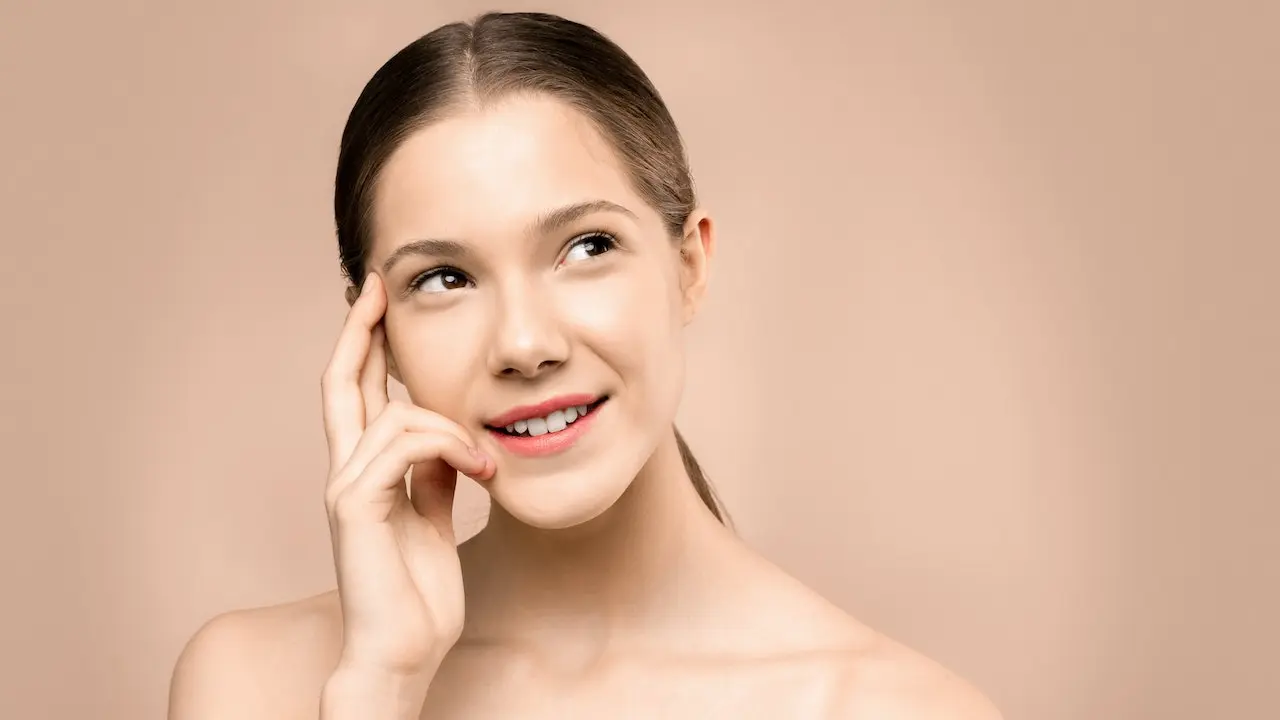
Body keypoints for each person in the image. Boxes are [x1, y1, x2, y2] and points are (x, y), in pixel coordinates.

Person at [168, 11, 1001, 719]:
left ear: (690, 265)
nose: (525, 344)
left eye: (585, 246)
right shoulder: (252, 685)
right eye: (444, 279)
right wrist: (381, 686)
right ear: (373, 331)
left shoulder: (894, 707)